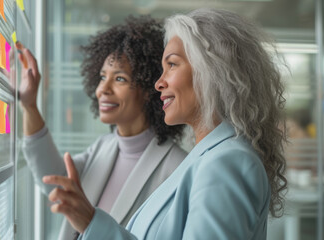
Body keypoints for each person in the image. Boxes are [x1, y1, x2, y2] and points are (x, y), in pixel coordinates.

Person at [42, 8, 288, 239]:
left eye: (171, 64)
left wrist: (93, 223)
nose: (158, 83)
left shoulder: (227, 163)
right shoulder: (205, 158)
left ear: (211, 72)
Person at [19, 16, 187, 240]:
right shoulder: (104, 146)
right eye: (102, 77)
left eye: (119, 79)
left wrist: (91, 222)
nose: (102, 89)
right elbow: (57, 184)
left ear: (148, 89)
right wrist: (29, 106)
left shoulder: (178, 168)